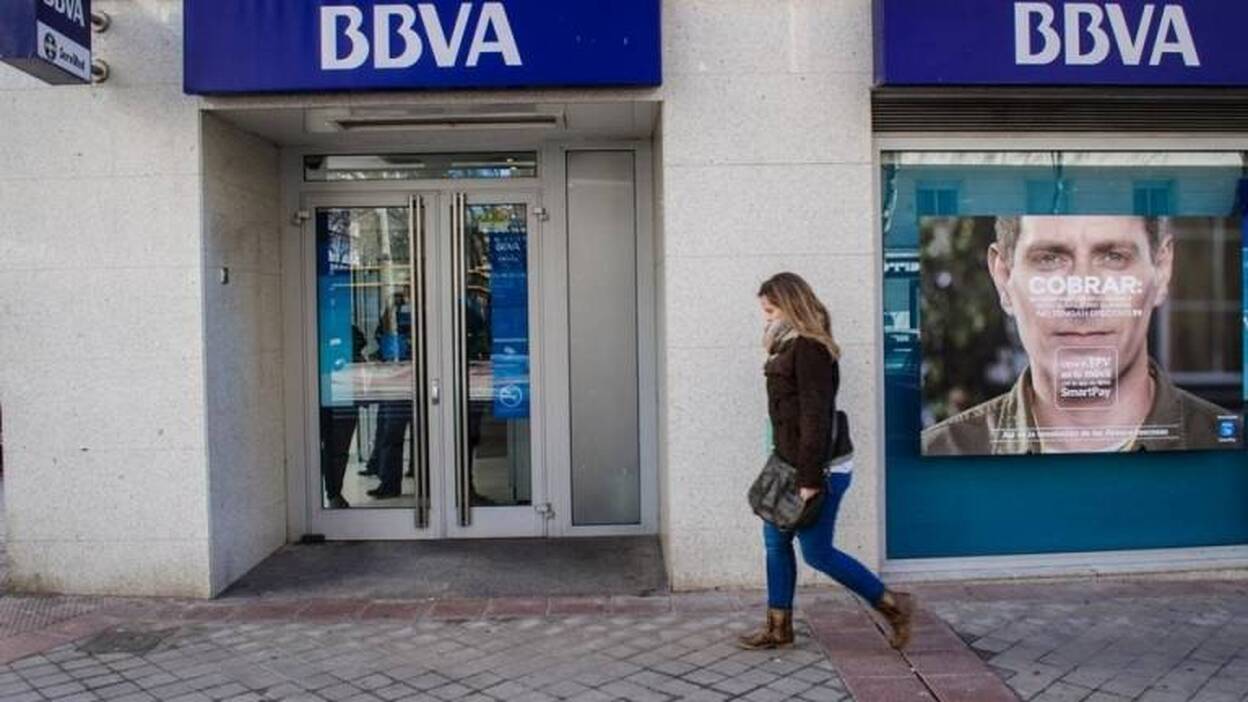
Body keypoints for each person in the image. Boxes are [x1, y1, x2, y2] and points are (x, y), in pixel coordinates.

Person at [923, 216, 1237, 455]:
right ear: (1004, 279)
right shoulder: (940, 454)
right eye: (1049, 259)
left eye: (1114, 257)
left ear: (1162, 270)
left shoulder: (1231, 448)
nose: (1082, 299)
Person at [739, 272, 915, 651]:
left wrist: (809, 479)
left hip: (818, 467)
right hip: (789, 462)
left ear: (791, 306)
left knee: (817, 552)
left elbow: (815, 417)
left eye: (770, 310)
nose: (765, 318)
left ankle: (893, 605)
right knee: (775, 542)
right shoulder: (787, 345)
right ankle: (778, 627)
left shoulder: (809, 349)